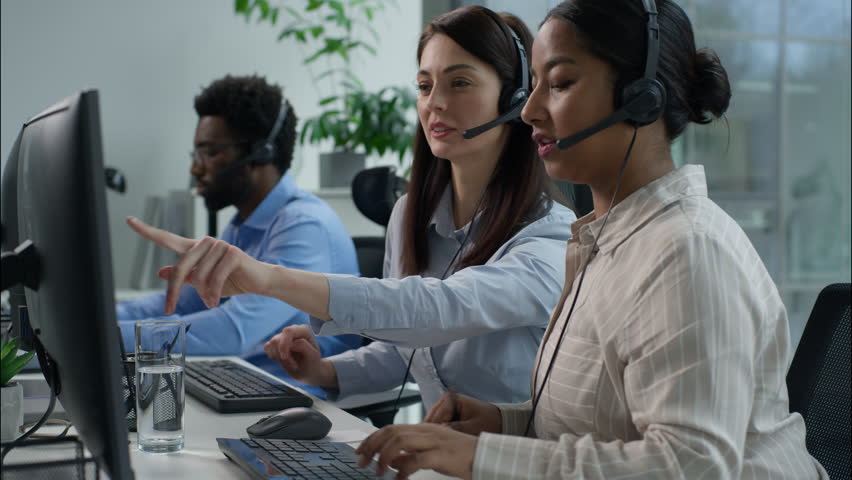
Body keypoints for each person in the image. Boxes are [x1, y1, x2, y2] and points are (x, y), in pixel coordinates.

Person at [353, 1, 828, 479]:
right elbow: (606, 426)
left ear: (642, 97)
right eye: (534, 84)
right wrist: (505, 423)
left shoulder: (687, 251)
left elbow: (691, 466)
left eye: (558, 84)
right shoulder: (605, 241)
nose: (530, 110)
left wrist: (484, 459)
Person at [125, 7, 577, 411]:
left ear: (516, 99)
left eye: (459, 82)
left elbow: (439, 309)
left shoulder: (553, 240)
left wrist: (265, 278)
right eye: (424, 85)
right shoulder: (410, 215)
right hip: (431, 460)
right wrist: (324, 371)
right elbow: (408, 350)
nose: (434, 102)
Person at [117, 75, 362, 393]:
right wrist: (93, 320)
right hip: (239, 383)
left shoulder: (304, 225)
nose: (196, 169)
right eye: (196, 154)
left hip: (297, 398)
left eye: (210, 152)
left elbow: (234, 331)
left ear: (260, 153)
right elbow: (179, 303)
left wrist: (101, 339)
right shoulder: (242, 225)